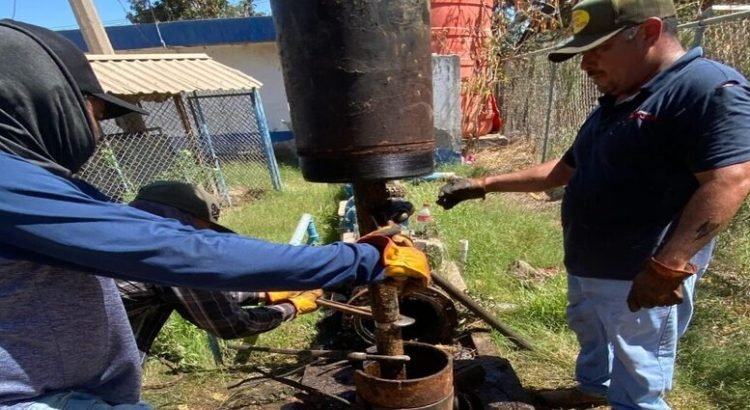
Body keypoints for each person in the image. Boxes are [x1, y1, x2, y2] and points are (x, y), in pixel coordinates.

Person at [0, 21, 430, 410]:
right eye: (95, 113)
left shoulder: (34, 186)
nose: (96, 131)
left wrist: (267, 292)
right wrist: (357, 262)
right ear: (38, 94)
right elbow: (181, 255)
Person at [437, 0, 750, 409]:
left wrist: (668, 265)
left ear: (650, 31)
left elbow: (729, 179)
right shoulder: (619, 100)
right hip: (591, 262)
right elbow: (563, 170)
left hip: (640, 274)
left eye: (597, 49)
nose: (586, 65)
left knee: (639, 379)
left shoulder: (705, 87)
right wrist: (483, 183)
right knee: (592, 335)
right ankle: (591, 389)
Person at [119, 180, 323, 363]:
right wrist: (293, 307)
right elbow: (231, 325)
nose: (205, 239)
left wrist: (266, 294)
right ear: (182, 218)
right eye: (204, 230)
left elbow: (204, 295)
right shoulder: (172, 253)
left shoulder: (119, 235)